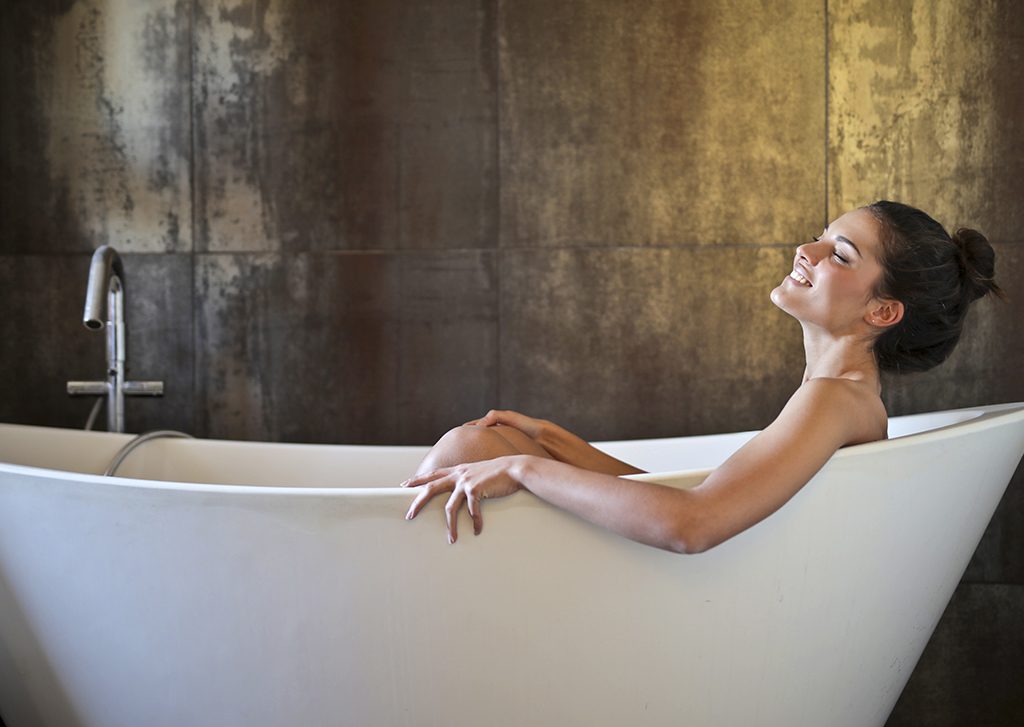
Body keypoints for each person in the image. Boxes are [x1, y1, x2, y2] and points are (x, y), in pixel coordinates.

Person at [402, 201, 1003, 553]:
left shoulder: (834, 402)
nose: (806, 250)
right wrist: (551, 442)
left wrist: (521, 465)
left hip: (726, 615)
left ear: (882, 312)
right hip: (728, 588)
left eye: (840, 254)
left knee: (473, 450)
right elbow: (698, 499)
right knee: (485, 445)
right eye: (821, 236)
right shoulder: (837, 399)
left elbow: (691, 525)